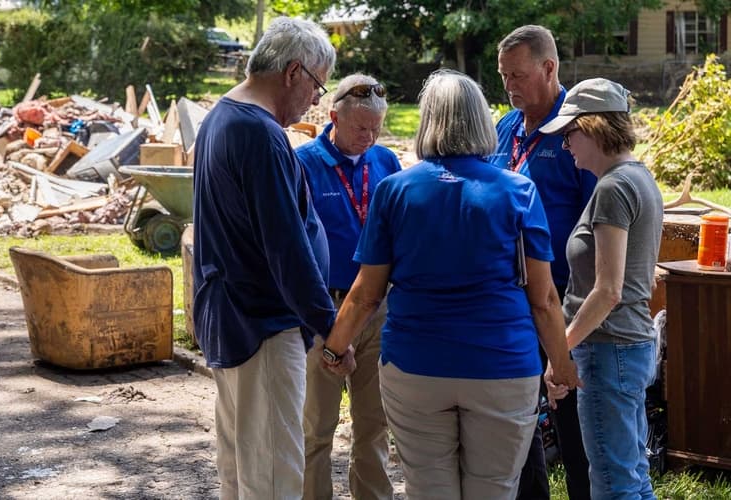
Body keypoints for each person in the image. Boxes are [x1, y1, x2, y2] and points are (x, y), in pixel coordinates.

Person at [321, 69, 580, 500]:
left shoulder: (393, 191)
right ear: (481, 121)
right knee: (494, 491)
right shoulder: (519, 190)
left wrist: (335, 347)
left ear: (427, 121)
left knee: (428, 490)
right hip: (502, 366)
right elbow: (545, 298)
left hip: (416, 366)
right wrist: (561, 364)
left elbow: (367, 292)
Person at [192, 16, 344, 499]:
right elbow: (287, 246)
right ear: (294, 72)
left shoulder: (221, 116)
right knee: (275, 476)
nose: (317, 100)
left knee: (242, 468)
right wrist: (330, 327)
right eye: (318, 85)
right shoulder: (260, 133)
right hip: (263, 324)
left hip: (232, 317)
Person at [540, 78, 663, 500]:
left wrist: (561, 353)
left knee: (612, 483)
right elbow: (640, 280)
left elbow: (608, 291)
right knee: (631, 476)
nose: (566, 144)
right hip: (628, 346)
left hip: (608, 350)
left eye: (569, 133)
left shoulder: (612, 188)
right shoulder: (638, 177)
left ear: (592, 127)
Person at [490, 24, 597, 500]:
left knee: (573, 428)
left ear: (549, 67)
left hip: (564, 304)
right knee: (517, 428)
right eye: (503, 75)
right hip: (509, 306)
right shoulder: (505, 127)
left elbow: (602, 223)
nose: (509, 85)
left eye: (518, 74)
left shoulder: (580, 127)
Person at [296, 74, 401, 500]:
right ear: (333, 115)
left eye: (376, 129)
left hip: (377, 307)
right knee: (315, 427)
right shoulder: (303, 163)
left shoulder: (387, 162)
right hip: (325, 308)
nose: (369, 138)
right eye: (360, 128)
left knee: (373, 425)